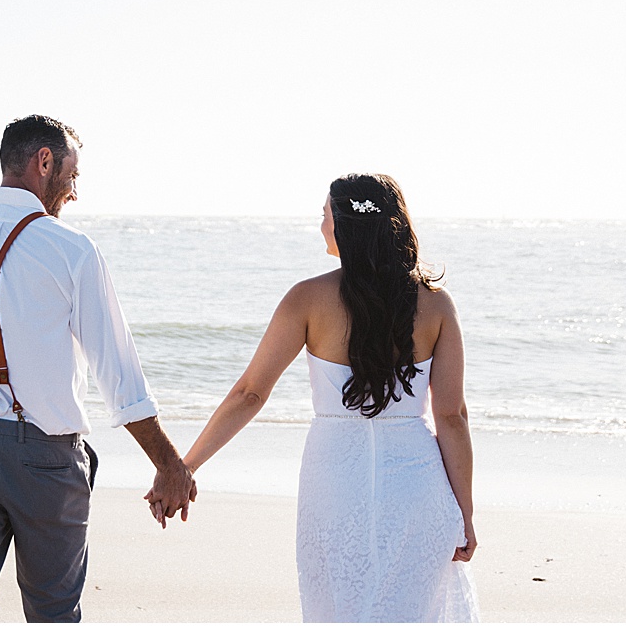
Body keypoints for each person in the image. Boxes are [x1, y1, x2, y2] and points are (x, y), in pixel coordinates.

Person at [0, 114, 196, 623]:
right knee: (54, 615)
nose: (74, 190)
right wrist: (169, 463)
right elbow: (119, 376)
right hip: (46, 462)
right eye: (74, 174)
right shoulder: (73, 250)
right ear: (44, 162)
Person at [163, 173, 479, 622]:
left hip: (334, 480)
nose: (320, 225)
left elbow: (249, 393)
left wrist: (187, 465)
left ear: (345, 226)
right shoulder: (437, 304)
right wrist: (463, 512)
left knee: (336, 610)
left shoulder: (307, 299)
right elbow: (452, 417)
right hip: (418, 485)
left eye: (325, 215)